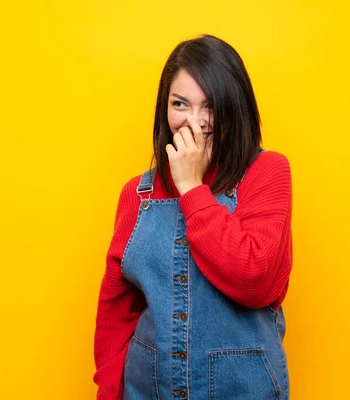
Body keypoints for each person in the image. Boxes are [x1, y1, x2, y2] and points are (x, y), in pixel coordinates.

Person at [93, 34, 293, 400]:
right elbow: (116, 308)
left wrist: (191, 187)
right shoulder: (137, 194)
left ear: (236, 107)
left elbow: (256, 280)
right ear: (164, 110)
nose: (196, 122)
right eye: (180, 104)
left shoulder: (267, 172)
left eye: (211, 106)